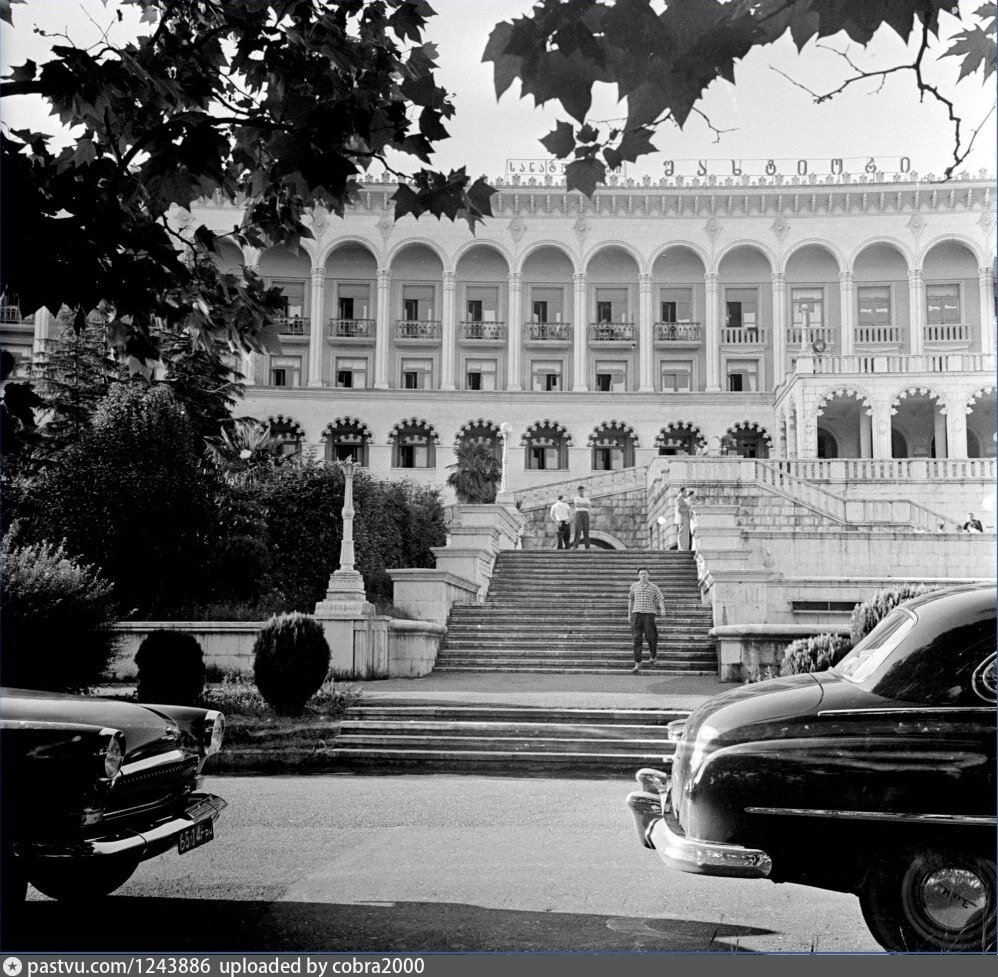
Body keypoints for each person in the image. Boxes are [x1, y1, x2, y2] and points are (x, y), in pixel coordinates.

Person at [628, 567, 667, 673]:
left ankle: (653, 655)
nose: (643, 575)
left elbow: (660, 598)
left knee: (651, 636)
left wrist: (662, 609)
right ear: (638, 575)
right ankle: (637, 663)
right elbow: (631, 601)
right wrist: (629, 615)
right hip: (637, 615)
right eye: (641, 574)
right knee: (636, 639)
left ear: (648, 575)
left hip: (649, 615)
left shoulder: (654, 587)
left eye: (645, 573)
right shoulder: (634, 586)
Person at [571, 485, 592, 549]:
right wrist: (584, 504)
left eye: (582, 491)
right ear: (578, 492)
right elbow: (577, 505)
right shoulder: (576, 498)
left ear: (584, 491)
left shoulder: (587, 498)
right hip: (578, 514)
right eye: (579, 491)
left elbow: (588, 506)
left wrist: (581, 504)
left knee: (586, 530)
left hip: (585, 514)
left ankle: (587, 546)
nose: (581, 492)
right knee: (577, 530)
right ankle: (575, 545)